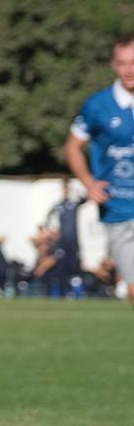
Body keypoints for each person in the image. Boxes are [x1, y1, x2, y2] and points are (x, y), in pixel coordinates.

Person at [66, 34, 134, 314]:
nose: (129, 69)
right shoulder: (98, 106)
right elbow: (72, 146)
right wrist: (89, 183)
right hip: (118, 209)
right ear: (113, 65)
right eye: (122, 63)